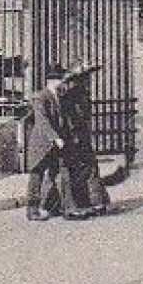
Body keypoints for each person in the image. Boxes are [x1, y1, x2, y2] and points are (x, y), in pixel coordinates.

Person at [57, 62, 108, 219]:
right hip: (73, 137)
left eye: (87, 76)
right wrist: (74, 136)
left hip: (81, 136)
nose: (87, 79)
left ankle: (95, 201)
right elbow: (69, 119)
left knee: (90, 168)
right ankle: (71, 206)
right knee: (72, 170)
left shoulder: (83, 93)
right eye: (84, 77)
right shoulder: (71, 95)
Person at [24, 70, 68, 221]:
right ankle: (32, 210)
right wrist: (55, 138)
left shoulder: (57, 96)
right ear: (52, 81)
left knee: (55, 174)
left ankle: (52, 205)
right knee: (37, 176)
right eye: (60, 80)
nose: (63, 82)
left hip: (53, 144)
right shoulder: (42, 97)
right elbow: (43, 121)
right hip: (41, 144)